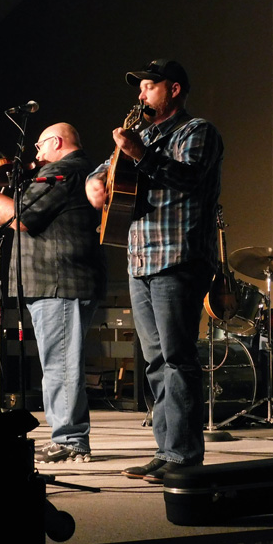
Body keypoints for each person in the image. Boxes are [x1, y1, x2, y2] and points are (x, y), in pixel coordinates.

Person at [86, 59, 223, 483]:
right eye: (140, 88)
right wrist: (94, 182)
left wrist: (139, 153)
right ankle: (166, 450)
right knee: (154, 361)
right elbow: (103, 175)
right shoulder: (142, 134)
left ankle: (184, 454)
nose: (141, 94)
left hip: (178, 258)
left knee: (178, 359)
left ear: (175, 90)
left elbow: (188, 178)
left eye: (150, 86)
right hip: (139, 260)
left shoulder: (196, 131)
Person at [0, 122, 106, 463]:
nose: (35, 155)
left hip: (59, 281)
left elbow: (22, 216)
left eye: (40, 147)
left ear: (56, 142)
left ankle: (70, 439)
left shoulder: (63, 171)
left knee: (60, 365)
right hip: (60, 281)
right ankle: (68, 436)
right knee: (58, 363)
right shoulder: (74, 172)